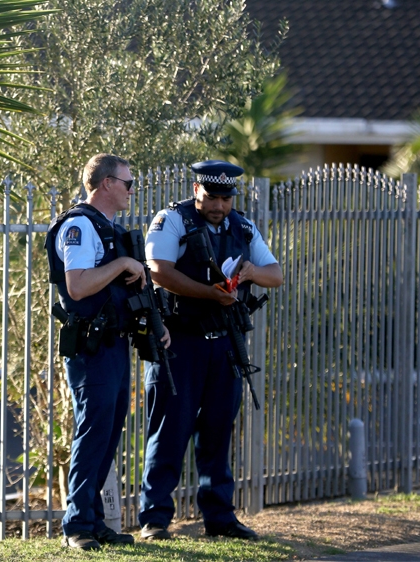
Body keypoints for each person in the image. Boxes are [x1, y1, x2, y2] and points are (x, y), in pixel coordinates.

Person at [138, 160, 283, 541]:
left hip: (225, 343)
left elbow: (275, 274)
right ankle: (155, 519)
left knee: (218, 432)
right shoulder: (173, 219)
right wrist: (210, 294)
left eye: (225, 198)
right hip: (180, 341)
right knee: (169, 431)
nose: (219, 205)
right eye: (211, 197)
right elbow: (158, 270)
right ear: (196, 189)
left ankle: (220, 518)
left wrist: (250, 273)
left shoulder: (242, 226)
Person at [45, 153, 169, 550]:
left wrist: (156, 326)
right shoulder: (79, 225)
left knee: (108, 433)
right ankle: (77, 526)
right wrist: (122, 264)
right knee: (93, 432)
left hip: (114, 344)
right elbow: (78, 286)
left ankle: (93, 521)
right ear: (106, 184)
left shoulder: (107, 228)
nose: (132, 190)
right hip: (91, 348)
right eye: (127, 183)